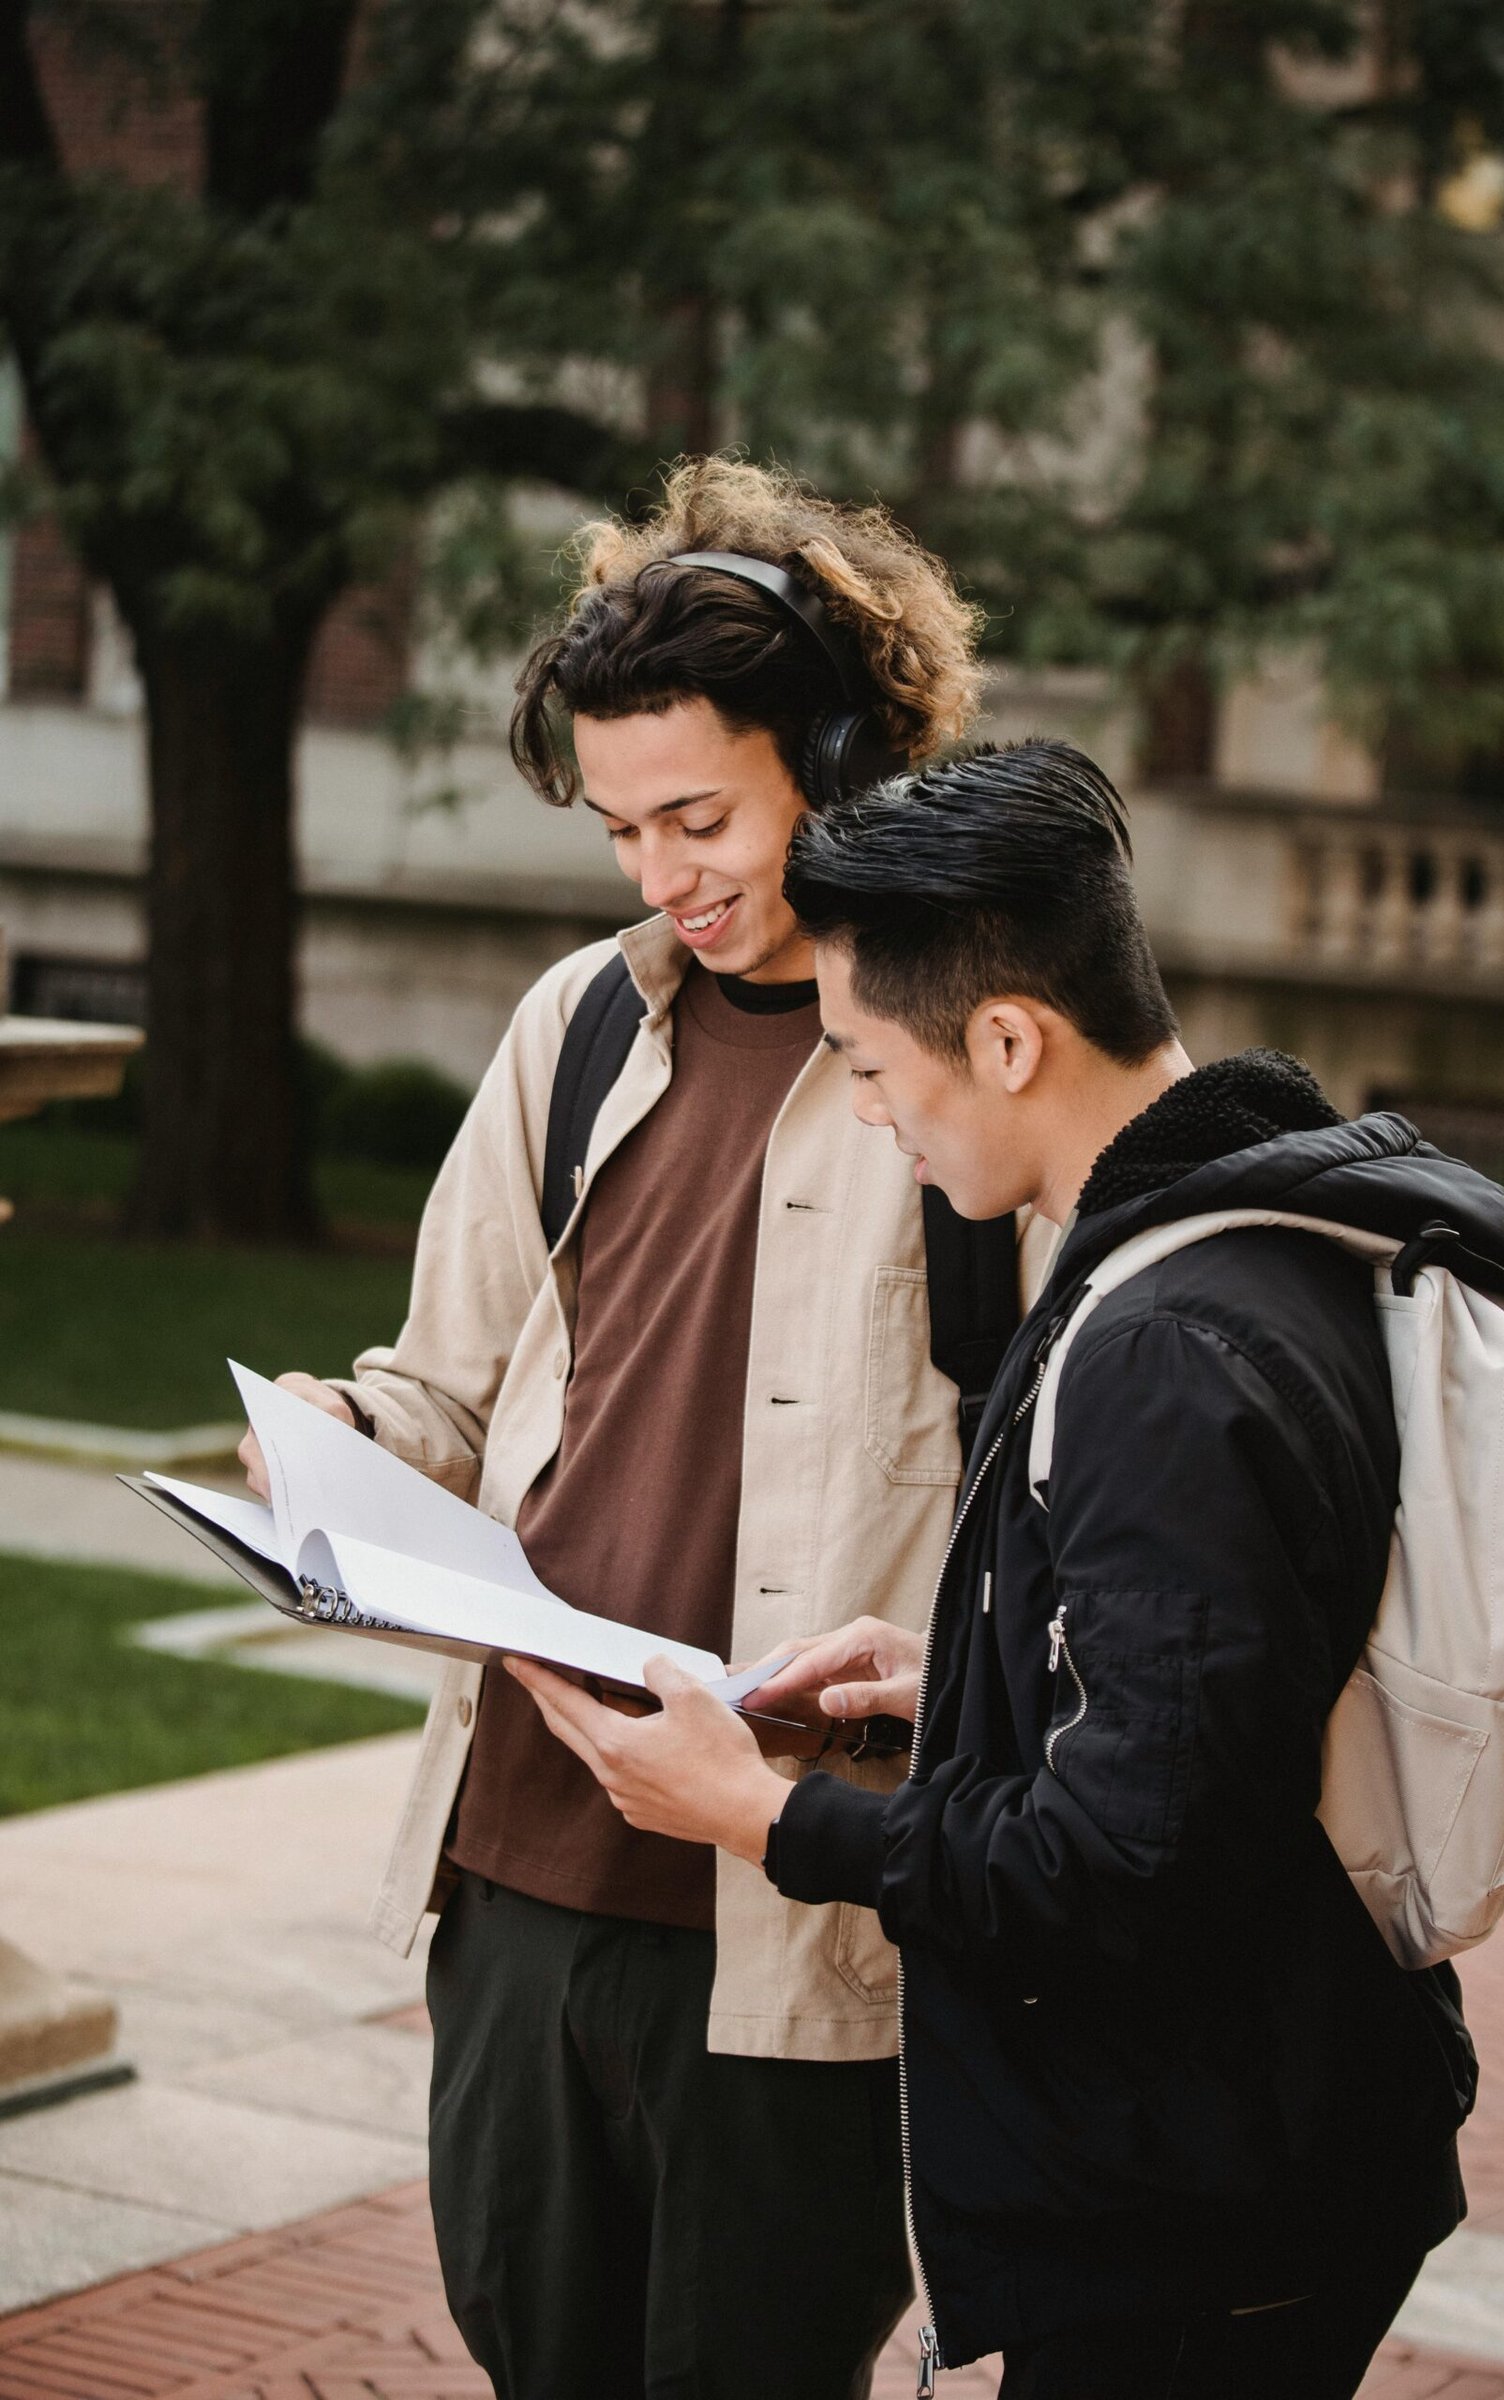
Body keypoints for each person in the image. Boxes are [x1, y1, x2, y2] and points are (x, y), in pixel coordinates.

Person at [506, 737, 1504, 2397]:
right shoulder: (1257, 1232)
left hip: (1205, 2209)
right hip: (1256, 2149)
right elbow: (1231, 1686)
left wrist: (767, 1820)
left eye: (868, 1067)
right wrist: (966, 1679)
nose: (869, 1121)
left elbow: (1130, 1867)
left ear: (1008, 1036)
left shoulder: (1171, 1337)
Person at [240, 462, 1054, 2400]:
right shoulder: (575, 1027)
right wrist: (327, 1443)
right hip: (515, 1876)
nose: (661, 873)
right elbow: (439, 1384)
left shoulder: (976, 1069)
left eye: (699, 816)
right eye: (621, 830)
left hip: (792, 1906)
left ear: (840, 761)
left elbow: (1070, 1511)